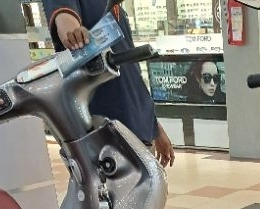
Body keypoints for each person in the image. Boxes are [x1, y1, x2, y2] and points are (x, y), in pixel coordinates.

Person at [42, 0, 175, 167]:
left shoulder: (115, 9)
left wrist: (154, 127)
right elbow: (66, 21)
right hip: (106, 136)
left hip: (139, 129)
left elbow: (130, 74)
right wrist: (74, 34)